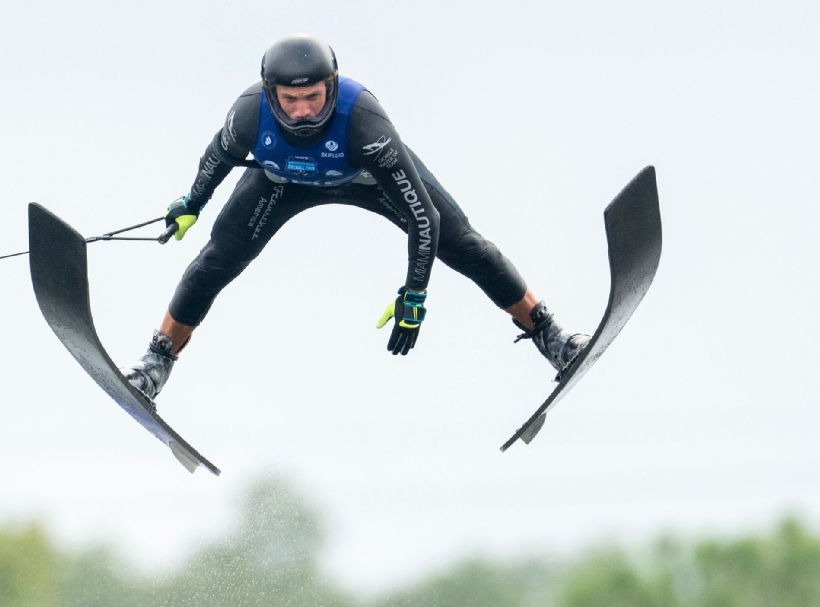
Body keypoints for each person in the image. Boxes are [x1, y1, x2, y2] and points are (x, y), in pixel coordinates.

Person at [122, 33, 587, 400]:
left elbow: (424, 217)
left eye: (314, 98)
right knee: (214, 261)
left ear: (331, 86)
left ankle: (552, 337)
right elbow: (216, 159)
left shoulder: (364, 121)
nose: (303, 112)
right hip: (281, 183)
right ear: (271, 93)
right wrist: (191, 205)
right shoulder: (248, 114)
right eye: (289, 100)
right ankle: (156, 363)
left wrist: (415, 294)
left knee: (466, 246)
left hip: (368, 179)